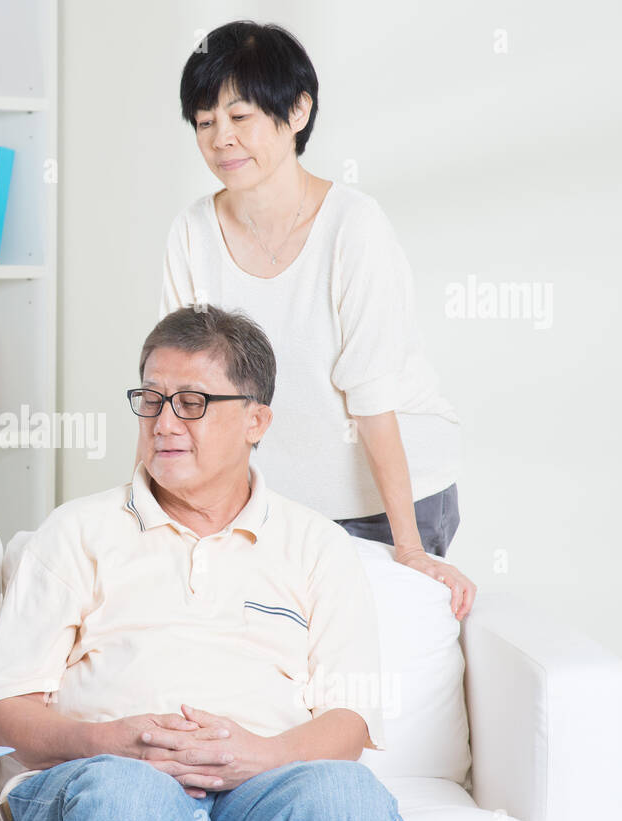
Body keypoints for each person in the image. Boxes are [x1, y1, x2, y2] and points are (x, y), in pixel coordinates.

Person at [0, 305, 408, 821]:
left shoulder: (317, 544)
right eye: (152, 400)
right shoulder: (76, 531)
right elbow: (6, 708)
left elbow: (349, 720)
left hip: (263, 781)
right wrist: (112, 742)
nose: (164, 423)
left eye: (192, 402)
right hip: (107, 776)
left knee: (348, 798)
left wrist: (258, 755)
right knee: (128, 798)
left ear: (256, 422)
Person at [162, 20, 475, 620]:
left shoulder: (353, 226)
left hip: (387, 500)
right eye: (205, 123)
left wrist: (408, 547)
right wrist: (146, 515)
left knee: (373, 680)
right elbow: (173, 387)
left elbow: (371, 395)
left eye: (241, 116)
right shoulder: (192, 231)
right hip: (275, 501)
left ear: (298, 111)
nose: (221, 138)